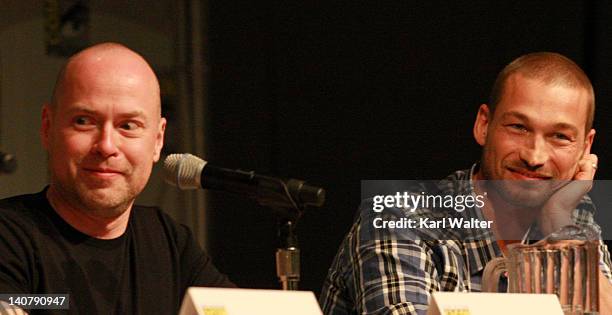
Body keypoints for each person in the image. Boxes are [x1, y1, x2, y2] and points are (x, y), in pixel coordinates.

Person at [319, 52, 612, 314]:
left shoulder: (569, 215)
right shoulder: (400, 215)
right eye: (518, 127)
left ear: (585, 148)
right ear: (483, 125)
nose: (534, 156)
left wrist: (561, 229)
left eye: (559, 136)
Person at [0, 43, 234, 314]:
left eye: (128, 126)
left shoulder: (168, 242)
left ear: (158, 140)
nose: (107, 145)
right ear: (47, 128)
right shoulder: (9, 237)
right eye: (84, 121)